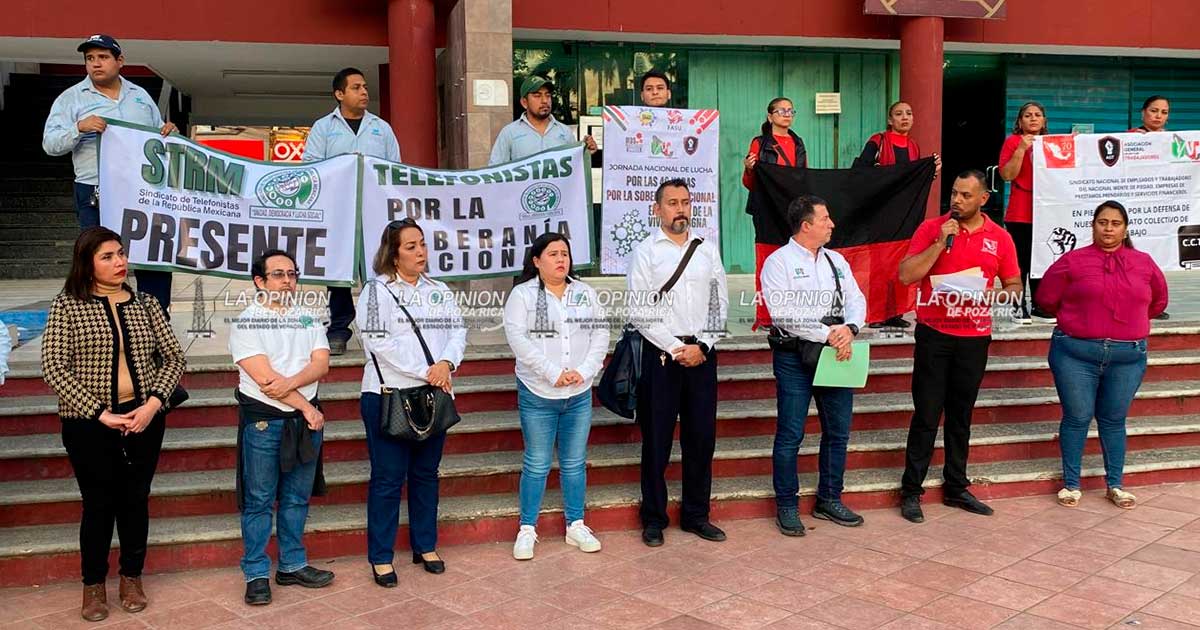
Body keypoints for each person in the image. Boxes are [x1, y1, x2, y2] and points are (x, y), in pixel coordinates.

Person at [41, 227, 185, 622]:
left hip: (144, 419)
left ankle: (132, 577)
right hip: (89, 424)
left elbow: (174, 358)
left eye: (121, 253)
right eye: (107, 256)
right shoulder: (68, 305)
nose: (120, 262)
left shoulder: (147, 304)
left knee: (136, 500)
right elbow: (54, 366)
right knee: (99, 504)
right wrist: (99, 412)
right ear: (87, 265)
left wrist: (153, 404)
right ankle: (93, 585)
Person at [897, 171, 1022, 523]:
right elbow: (906, 275)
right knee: (926, 414)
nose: (957, 200)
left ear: (983, 199)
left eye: (966, 195)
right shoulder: (931, 229)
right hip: (934, 333)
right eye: (954, 193)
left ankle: (956, 486)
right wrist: (939, 243)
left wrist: (994, 294)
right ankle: (911, 491)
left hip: (974, 336)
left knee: (960, 415)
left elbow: (1014, 285)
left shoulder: (999, 238)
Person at [1036, 201, 1168, 510]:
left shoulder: (1144, 262)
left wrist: (1127, 322)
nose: (1108, 228)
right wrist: (1082, 320)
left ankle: (1116, 485)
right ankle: (1071, 484)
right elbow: (1046, 299)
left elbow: (1158, 302)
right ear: (1093, 225)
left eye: (1115, 223)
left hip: (1127, 356)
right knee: (1078, 417)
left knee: (1113, 419)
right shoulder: (1073, 261)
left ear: (1125, 229)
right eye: (1102, 222)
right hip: (1075, 354)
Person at [356, 218, 466, 584]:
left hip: (434, 394)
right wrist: (427, 370)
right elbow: (378, 342)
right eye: (410, 246)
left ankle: (425, 544)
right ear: (393, 253)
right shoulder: (376, 292)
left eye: (422, 244)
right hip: (389, 396)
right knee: (388, 479)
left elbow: (457, 331)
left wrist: (446, 364)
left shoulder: (439, 289)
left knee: (425, 474)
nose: (420, 252)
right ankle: (381, 556)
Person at [43, 35, 177, 314]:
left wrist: (168, 133)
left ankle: (156, 320)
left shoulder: (140, 96)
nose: (95, 64)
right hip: (95, 191)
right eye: (90, 59)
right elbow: (50, 144)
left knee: (151, 257)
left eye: (102, 57)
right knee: (99, 259)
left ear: (120, 61)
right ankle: (102, 322)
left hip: (141, 191)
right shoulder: (71, 99)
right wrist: (78, 128)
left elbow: (158, 135)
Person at [229, 249, 334, 605]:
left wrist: (293, 390)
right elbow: (263, 380)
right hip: (265, 423)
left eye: (291, 274)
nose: (287, 281)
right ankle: (256, 572)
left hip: (304, 422)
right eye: (278, 275)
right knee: (259, 501)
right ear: (259, 281)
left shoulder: (308, 318)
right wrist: (306, 406)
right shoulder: (247, 322)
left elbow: (321, 364)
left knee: (295, 499)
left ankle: (292, 564)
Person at [628, 178, 728, 547]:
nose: (680, 209)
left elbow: (720, 303)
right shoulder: (646, 252)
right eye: (672, 203)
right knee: (657, 441)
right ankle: (653, 518)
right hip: (662, 357)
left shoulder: (706, 250)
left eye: (685, 202)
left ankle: (696, 515)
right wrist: (674, 347)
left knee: (701, 440)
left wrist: (703, 344)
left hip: (702, 355)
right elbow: (639, 311)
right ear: (657, 210)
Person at [760, 195, 867, 535]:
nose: (831, 224)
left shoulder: (836, 261)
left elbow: (856, 299)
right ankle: (787, 506)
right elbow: (783, 313)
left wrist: (849, 329)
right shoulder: (778, 262)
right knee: (791, 433)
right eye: (825, 219)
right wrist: (828, 334)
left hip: (834, 353)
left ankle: (830, 499)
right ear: (806, 226)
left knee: (838, 431)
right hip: (794, 356)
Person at [503, 233, 609, 560]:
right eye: (553, 254)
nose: (561, 259)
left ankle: (575, 525)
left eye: (565, 253)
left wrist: (586, 369)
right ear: (537, 261)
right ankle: (527, 529)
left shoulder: (584, 293)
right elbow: (518, 340)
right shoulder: (522, 296)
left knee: (574, 463)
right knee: (536, 463)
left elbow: (600, 332)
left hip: (577, 392)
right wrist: (552, 372)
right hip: (538, 393)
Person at [303, 67, 402, 355]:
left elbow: (394, 167)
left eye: (365, 87)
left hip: (375, 214)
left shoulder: (381, 128)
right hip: (338, 213)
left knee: (380, 271)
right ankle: (338, 330)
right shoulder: (324, 128)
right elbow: (312, 166)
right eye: (357, 87)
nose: (364, 92)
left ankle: (382, 327)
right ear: (339, 94)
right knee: (339, 273)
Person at [857, 100, 942, 330]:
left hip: (905, 215)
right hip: (881, 213)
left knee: (903, 261)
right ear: (889, 120)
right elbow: (860, 172)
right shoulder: (878, 141)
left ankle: (895, 311)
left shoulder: (913, 146)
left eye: (909, 113)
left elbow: (914, 183)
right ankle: (875, 314)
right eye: (898, 113)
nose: (904, 117)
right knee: (880, 264)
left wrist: (930, 173)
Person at [743, 97, 808, 329]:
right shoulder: (760, 143)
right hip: (767, 209)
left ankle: (792, 311)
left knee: (794, 260)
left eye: (791, 110)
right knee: (768, 260)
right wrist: (749, 168)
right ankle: (766, 315)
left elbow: (804, 177)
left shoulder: (798, 143)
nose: (787, 114)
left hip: (792, 210)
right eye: (781, 110)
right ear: (770, 116)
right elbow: (749, 182)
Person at [998, 101, 1050, 324]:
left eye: (1038, 115)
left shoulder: (1051, 143)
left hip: (1046, 211)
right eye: (1028, 115)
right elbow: (1007, 175)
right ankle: (1017, 306)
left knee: (1042, 260)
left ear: (1044, 121)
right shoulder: (1012, 142)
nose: (1033, 118)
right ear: (1020, 121)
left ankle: (1040, 304)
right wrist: (1021, 149)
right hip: (1020, 213)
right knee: (1020, 263)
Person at [489, 76, 597, 165]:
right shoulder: (509, 133)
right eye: (537, 95)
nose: (545, 101)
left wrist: (585, 153)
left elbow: (573, 168)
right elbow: (495, 171)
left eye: (548, 95)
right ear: (524, 102)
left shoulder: (565, 132)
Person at [1129, 95, 1172, 321]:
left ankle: (1154, 305)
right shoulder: (1129, 138)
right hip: (1134, 207)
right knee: (1134, 258)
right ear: (1143, 112)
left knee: (1157, 258)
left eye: (1164, 112)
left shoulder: (1175, 141)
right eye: (1154, 110)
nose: (1158, 116)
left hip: (1160, 210)